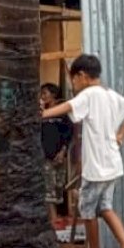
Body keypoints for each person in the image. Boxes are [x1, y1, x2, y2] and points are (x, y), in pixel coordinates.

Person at [42, 54, 124, 248]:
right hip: (112, 163)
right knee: (105, 207)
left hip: (97, 167)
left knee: (87, 210)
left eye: (74, 80)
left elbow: (67, 107)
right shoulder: (111, 95)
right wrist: (121, 135)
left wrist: (41, 114)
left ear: (82, 76)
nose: (74, 85)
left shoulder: (89, 94)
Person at [40, 83, 74, 226]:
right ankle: (53, 217)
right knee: (48, 186)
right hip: (45, 156)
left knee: (59, 185)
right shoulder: (41, 113)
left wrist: (63, 151)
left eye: (45, 93)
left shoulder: (62, 113)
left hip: (60, 154)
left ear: (53, 94)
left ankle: (59, 214)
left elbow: (68, 133)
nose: (42, 96)